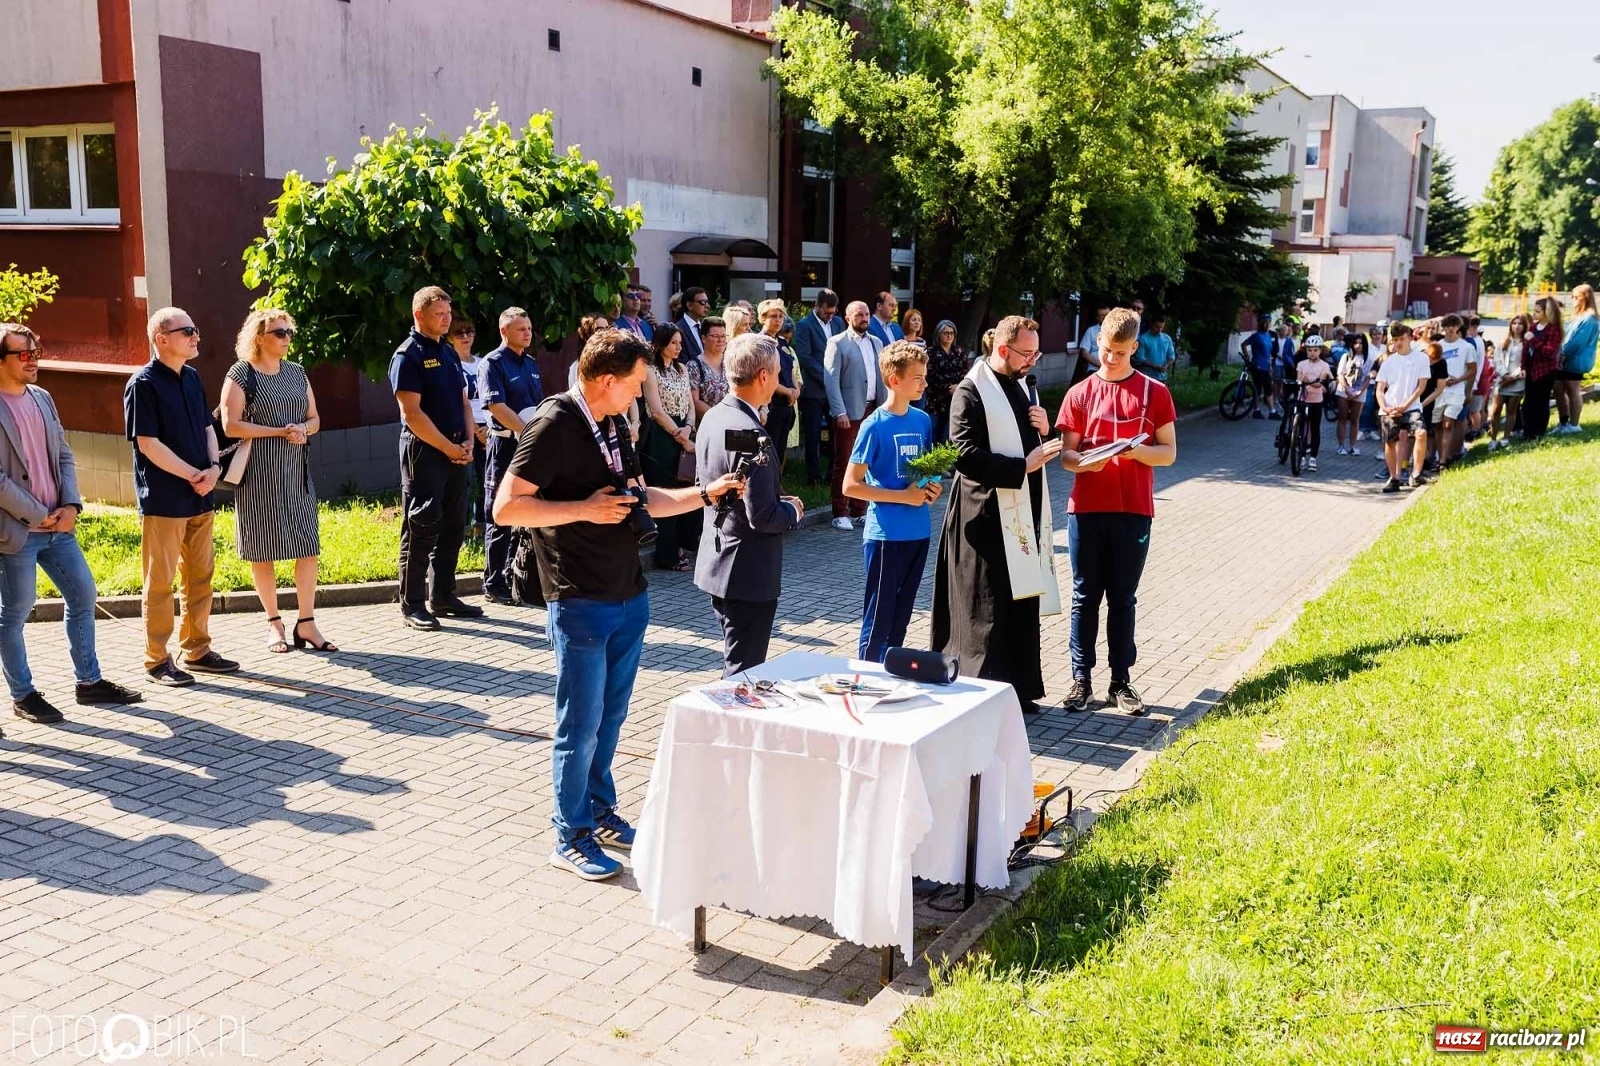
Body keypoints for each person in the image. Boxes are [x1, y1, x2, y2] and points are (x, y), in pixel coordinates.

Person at [491, 328, 744, 881]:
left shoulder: (610, 421)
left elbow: (638, 494)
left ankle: (600, 811)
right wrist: (581, 508)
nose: (639, 396)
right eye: (634, 385)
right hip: (580, 596)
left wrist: (706, 494)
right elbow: (506, 508)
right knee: (578, 725)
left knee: (610, 717)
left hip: (628, 592)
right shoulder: (554, 423)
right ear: (606, 380)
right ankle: (570, 833)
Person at [0, 324, 141, 727]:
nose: (34, 359)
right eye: (23, 354)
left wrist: (71, 504)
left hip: (58, 526)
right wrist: (34, 512)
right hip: (18, 531)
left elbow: (63, 454)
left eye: (36, 350)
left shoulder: (43, 398)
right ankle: (23, 694)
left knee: (83, 596)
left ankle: (89, 682)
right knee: (14, 613)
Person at [931, 315, 1063, 715]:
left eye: (1036, 353)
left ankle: (1018, 689)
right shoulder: (971, 392)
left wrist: (1045, 425)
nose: (1033, 362)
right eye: (1027, 353)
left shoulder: (1023, 386)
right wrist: (1022, 465)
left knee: (1018, 603)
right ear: (1002, 350)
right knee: (987, 608)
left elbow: (1030, 443)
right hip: (984, 516)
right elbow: (964, 455)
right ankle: (982, 690)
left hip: (1022, 511)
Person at [1056, 308, 1177, 716]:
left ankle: (1120, 682)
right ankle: (1080, 679)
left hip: (1133, 510)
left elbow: (1169, 453)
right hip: (1087, 508)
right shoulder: (1080, 392)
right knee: (1083, 595)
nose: (1111, 359)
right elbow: (1067, 456)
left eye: (1121, 353)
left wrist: (1137, 451)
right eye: (1106, 350)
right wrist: (1086, 462)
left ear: (1135, 348)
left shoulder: (1154, 393)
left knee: (1123, 598)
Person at [125, 308, 239, 685]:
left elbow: (209, 427)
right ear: (162, 338)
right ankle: (156, 659)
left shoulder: (191, 377)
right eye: (187, 331)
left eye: (196, 329)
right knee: (160, 582)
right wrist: (193, 474)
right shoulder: (142, 384)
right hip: (165, 500)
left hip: (200, 496)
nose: (196, 337)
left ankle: (198, 648)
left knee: (201, 576)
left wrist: (213, 468)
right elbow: (148, 444)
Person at [220, 309, 335, 653]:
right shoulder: (241, 374)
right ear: (259, 337)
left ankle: (307, 622)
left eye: (289, 333)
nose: (286, 338)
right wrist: (278, 432)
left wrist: (303, 429)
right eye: (279, 333)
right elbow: (230, 424)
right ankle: (274, 623)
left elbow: (314, 418)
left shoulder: (297, 373)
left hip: (296, 471)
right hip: (258, 472)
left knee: (307, 545)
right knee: (262, 549)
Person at [694, 332, 805, 675]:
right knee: (743, 671)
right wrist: (794, 511)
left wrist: (772, 498)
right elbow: (763, 516)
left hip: (721, 560)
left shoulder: (715, 416)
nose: (779, 379)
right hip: (748, 571)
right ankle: (728, 729)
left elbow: (733, 486)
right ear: (763, 377)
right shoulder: (751, 433)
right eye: (777, 372)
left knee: (736, 660)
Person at [842, 341, 942, 663]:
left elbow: (928, 471)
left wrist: (932, 487)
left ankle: (890, 671)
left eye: (925, 377)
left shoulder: (923, 420)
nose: (925, 383)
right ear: (894, 379)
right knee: (879, 614)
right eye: (918, 378)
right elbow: (850, 486)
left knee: (902, 614)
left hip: (918, 532)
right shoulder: (874, 426)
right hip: (886, 536)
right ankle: (865, 675)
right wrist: (903, 497)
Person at [389, 286, 482, 631]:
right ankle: (412, 603)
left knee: (454, 524)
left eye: (448, 313)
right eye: (439, 314)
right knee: (422, 524)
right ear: (419, 315)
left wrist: (469, 441)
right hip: (425, 451)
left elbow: (463, 402)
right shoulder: (407, 356)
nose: (447, 319)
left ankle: (443, 594)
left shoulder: (447, 351)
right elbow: (412, 414)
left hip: (458, 449)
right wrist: (448, 447)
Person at [478, 307, 544, 605]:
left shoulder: (530, 363)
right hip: (504, 444)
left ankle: (515, 573)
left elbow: (537, 404)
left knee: (526, 507)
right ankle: (493, 583)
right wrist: (526, 431)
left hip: (528, 444)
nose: (527, 333)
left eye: (529, 328)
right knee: (498, 511)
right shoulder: (492, 363)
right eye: (521, 329)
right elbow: (496, 407)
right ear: (504, 332)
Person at [639, 324, 700, 572]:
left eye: (680, 343)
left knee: (687, 486)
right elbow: (655, 410)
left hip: (683, 431)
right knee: (666, 491)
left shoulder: (682, 368)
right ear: (661, 343)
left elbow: (690, 403)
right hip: (661, 436)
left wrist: (688, 428)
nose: (678, 348)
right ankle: (667, 553)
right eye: (673, 343)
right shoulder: (650, 371)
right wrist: (678, 433)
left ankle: (684, 544)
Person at [823, 301, 885, 530]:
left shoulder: (877, 342)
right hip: (849, 412)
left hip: (873, 409)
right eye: (859, 314)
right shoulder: (837, 343)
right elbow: (831, 379)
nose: (864, 318)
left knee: (866, 461)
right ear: (848, 318)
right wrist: (839, 410)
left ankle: (860, 510)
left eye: (867, 314)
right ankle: (840, 512)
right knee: (845, 461)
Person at [793, 289, 844, 485]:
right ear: (817, 306)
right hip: (813, 390)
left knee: (835, 434)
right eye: (826, 312)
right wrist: (828, 377)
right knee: (813, 435)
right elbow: (805, 357)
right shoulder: (804, 325)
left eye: (832, 312)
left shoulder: (838, 323)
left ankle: (832, 475)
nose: (830, 316)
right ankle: (813, 477)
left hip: (834, 390)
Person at [447, 313, 491, 536]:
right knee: (463, 483)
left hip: (489, 427)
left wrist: (487, 430)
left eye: (469, 331)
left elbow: (491, 398)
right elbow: (459, 401)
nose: (465, 336)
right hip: (465, 430)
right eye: (459, 332)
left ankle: (482, 528)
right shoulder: (451, 365)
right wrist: (475, 431)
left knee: (487, 481)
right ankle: (461, 529)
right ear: (450, 338)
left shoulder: (483, 363)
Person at [1375, 322, 1431, 493]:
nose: (1399, 343)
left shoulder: (1421, 358)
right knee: (1390, 442)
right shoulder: (1388, 362)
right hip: (1390, 407)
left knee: (1421, 433)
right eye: (1396, 339)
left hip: (1411, 406)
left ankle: (1415, 473)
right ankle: (1394, 477)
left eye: (1402, 339)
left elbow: (1421, 387)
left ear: (1409, 338)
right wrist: (1385, 407)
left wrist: (1405, 406)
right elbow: (1379, 389)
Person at [757, 299, 800, 474]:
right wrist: (787, 391)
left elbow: (790, 369)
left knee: (780, 451)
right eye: (773, 316)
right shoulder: (759, 343)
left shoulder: (782, 343)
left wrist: (795, 390)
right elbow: (763, 376)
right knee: (768, 451)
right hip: (770, 405)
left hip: (787, 405)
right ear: (762, 318)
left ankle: (776, 490)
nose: (778, 320)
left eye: (781, 316)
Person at [1555, 283, 1597, 434]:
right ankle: (1563, 421)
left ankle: (1574, 424)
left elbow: (1577, 342)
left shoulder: (1589, 318)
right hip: (1563, 360)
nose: (1573, 300)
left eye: (1575, 297)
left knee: (1573, 390)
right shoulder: (1577, 316)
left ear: (1584, 298)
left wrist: (1563, 355)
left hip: (1574, 360)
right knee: (1559, 389)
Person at [1433, 315, 1472, 469]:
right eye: (1447, 326)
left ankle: (1443, 460)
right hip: (1439, 391)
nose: (1450, 329)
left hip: (1456, 391)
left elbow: (1472, 369)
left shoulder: (1466, 347)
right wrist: (1442, 378)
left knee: (1449, 423)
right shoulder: (1437, 346)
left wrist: (1460, 380)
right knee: (1437, 426)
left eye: (1453, 326)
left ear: (1458, 327)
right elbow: (1431, 367)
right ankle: (1438, 455)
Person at [1522, 297, 1564, 441]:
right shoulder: (1534, 327)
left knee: (1540, 402)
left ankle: (1538, 432)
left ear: (1547, 313)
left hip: (1546, 371)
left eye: (1538, 311)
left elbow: (1550, 352)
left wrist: (1533, 340)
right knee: (1528, 402)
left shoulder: (1553, 329)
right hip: (1532, 369)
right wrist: (1523, 366)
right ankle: (1527, 432)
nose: (1534, 314)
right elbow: (1526, 349)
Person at [1488, 315, 1528, 450]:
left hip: (1517, 381)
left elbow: (1526, 362)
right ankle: (1493, 438)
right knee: (1495, 410)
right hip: (1502, 380)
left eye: (1520, 324)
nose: (1517, 326)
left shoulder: (1526, 343)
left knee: (1511, 410)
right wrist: (1504, 374)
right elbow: (1497, 359)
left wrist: (1516, 375)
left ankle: (1505, 438)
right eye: (1514, 323)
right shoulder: (1504, 341)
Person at [925, 319, 968, 444]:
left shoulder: (958, 352)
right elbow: (930, 374)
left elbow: (965, 372)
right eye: (945, 333)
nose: (949, 335)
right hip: (936, 401)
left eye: (951, 333)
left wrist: (958, 387)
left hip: (954, 400)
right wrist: (948, 387)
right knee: (932, 435)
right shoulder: (931, 352)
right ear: (939, 334)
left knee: (947, 437)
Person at [1294, 336, 1334, 471]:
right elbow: (1299, 380)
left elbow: (1319, 383)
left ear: (1320, 350)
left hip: (1316, 400)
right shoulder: (1301, 364)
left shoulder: (1324, 365)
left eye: (1315, 350)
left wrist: (1310, 381)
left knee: (1315, 428)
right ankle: (1301, 454)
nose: (1312, 353)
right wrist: (1303, 380)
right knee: (1301, 428)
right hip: (1303, 399)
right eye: (1309, 350)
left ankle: (1313, 457)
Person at [1334, 333, 1372, 456]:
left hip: (1359, 391)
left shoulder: (1368, 359)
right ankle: (1341, 445)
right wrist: (1346, 389)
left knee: (1355, 419)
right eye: (1356, 343)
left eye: (1361, 343)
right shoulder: (1346, 357)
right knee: (1342, 417)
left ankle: (1353, 446)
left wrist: (1360, 391)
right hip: (1344, 390)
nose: (1358, 345)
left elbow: (1368, 378)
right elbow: (1340, 374)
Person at [687, 316, 730, 421]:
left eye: (723, 336)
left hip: (731, 424)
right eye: (715, 336)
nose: (720, 340)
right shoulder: (694, 366)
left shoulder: (732, 362)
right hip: (706, 424)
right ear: (704, 338)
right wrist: (719, 417)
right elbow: (694, 401)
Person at [1245, 316, 1276, 420]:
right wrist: (1247, 357)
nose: (1266, 325)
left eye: (1268, 323)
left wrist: (1270, 365)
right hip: (1257, 365)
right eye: (1264, 323)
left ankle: (1270, 411)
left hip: (1266, 365)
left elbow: (1268, 352)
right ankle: (1260, 410)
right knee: (1260, 388)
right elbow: (1244, 344)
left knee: (1267, 388)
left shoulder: (1268, 335)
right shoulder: (1256, 336)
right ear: (1260, 324)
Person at [1072, 303, 1110, 385]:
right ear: (1097, 317)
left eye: (1107, 315)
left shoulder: (1117, 332)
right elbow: (1085, 353)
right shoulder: (1091, 331)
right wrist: (1101, 365)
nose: (1105, 318)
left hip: (1112, 370)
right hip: (1094, 370)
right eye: (1101, 315)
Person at [1133, 313, 1176, 383]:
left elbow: (1171, 356)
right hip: (1147, 376)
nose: (1159, 330)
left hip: (1162, 377)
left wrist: (1167, 365)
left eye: (1161, 327)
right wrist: (1154, 366)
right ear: (1152, 325)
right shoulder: (1143, 339)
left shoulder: (1167, 339)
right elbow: (1140, 358)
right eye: (1157, 327)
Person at [674, 286, 710, 362]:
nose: (707, 306)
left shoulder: (706, 327)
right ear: (689, 305)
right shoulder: (678, 329)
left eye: (707, 302)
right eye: (702, 302)